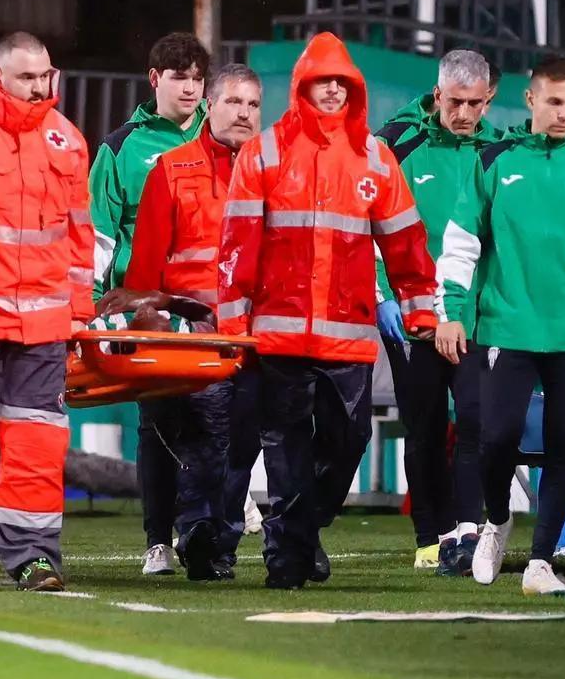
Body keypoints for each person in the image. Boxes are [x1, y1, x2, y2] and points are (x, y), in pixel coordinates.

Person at [218, 32, 439, 589]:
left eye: (344, 82)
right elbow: (238, 245)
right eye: (324, 81)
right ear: (302, 87)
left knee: (350, 440)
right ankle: (288, 558)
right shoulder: (264, 152)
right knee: (286, 450)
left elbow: (405, 242)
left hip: (347, 335)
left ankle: (296, 531)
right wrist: (233, 322)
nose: (335, 90)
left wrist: (420, 309)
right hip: (278, 336)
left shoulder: (375, 157)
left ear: (355, 89)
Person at [434, 56, 565, 596]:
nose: (564, 114)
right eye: (554, 102)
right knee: (497, 438)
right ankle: (498, 521)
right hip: (506, 326)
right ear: (530, 101)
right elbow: (460, 243)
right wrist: (452, 312)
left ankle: (541, 561)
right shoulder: (494, 162)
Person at [0, 32, 92, 592]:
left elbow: (79, 237)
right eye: (26, 76)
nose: (38, 86)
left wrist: (78, 314)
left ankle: (32, 556)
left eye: (44, 75)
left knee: (36, 445)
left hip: (43, 326)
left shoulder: (67, 141)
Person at [100, 63, 263, 581]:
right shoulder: (168, 169)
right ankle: (197, 538)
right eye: (233, 102)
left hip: (256, 334)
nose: (243, 113)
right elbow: (145, 264)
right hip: (191, 337)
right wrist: (152, 325)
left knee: (238, 444)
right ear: (208, 108)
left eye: (253, 104)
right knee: (200, 438)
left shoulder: (275, 172)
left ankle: (211, 536)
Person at [374, 49, 503, 575]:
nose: (466, 114)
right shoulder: (396, 143)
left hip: (474, 314)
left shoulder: (500, 152)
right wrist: (383, 295)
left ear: (490, 98)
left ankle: (468, 531)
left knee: (475, 420)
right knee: (424, 426)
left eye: (476, 103)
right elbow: (370, 226)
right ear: (437, 93)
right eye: (456, 102)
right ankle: (432, 535)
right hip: (413, 312)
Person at [89, 32, 210, 575]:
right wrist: (95, 304)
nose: (189, 87)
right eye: (179, 76)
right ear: (154, 79)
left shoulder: (225, 134)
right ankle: (159, 539)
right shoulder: (119, 149)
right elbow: (101, 236)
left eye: (197, 77)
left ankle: (212, 524)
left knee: (223, 419)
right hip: (148, 307)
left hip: (211, 303)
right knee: (158, 419)